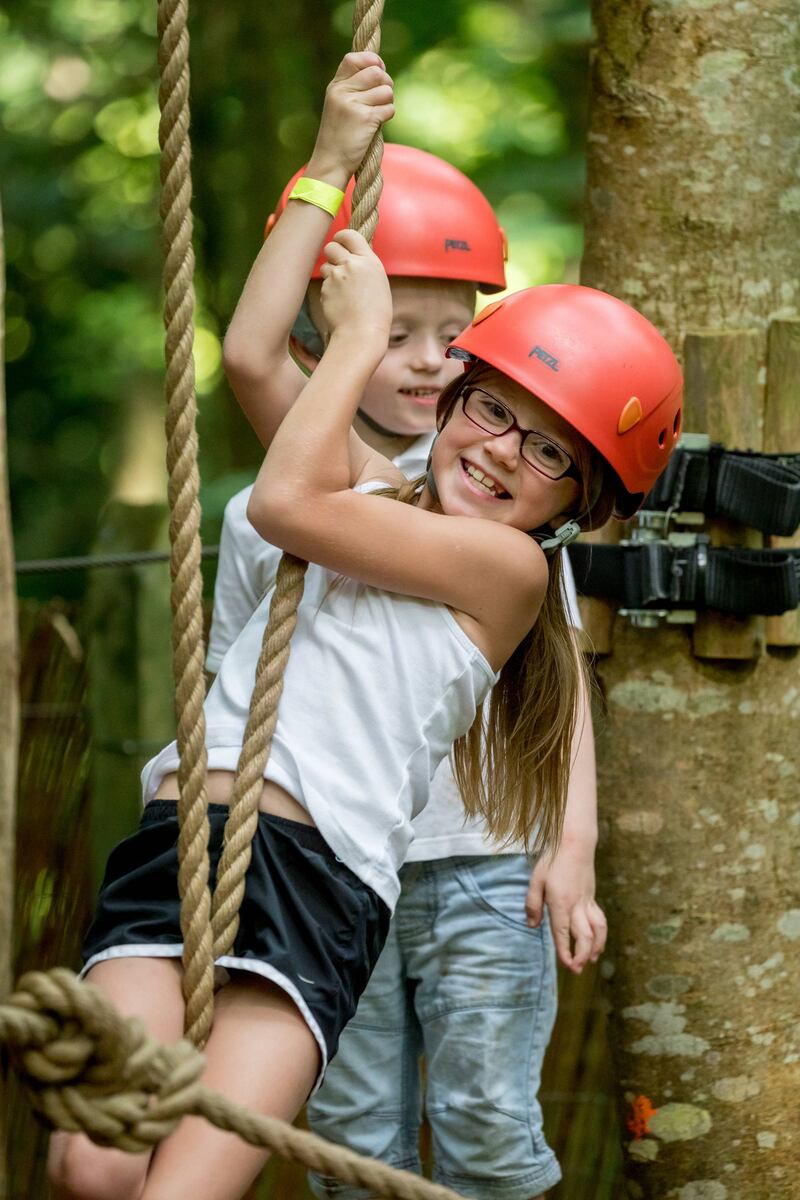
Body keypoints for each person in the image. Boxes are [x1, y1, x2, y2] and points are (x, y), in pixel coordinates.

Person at [48, 53, 682, 1200]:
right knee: (91, 1163)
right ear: (453, 399)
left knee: (187, 1187)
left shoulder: (503, 574)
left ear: (571, 505)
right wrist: (329, 166)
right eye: (491, 409)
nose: (498, 451)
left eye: (546, 452)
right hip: (183, 843)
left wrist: (352, 342)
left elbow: (290, 504)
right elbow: (247, 358)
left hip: (315, 889)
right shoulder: (381, 489)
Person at [205, 66, 603, 1200]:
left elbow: (557, 698)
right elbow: (252, 365)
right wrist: (325, 166)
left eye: (451, 338)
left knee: (483, 1116)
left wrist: (567, 850)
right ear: (345, 326)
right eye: (396, 332)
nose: (427, 363)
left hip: (479, 860)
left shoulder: (507, 527)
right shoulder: (353, 490)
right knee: (351, 1134)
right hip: (341, 860)